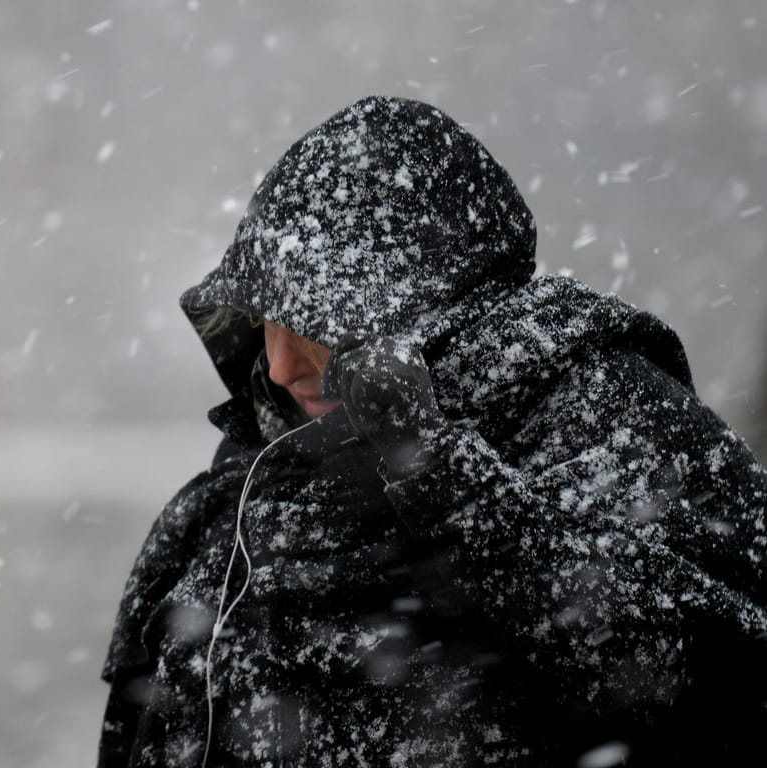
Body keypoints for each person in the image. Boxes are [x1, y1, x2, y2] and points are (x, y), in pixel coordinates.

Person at [97, 96, 767, 767]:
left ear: (424, 311)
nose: (277, 363)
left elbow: (722, 689)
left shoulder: (606, 421)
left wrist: (448, 487)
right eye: (263, 319)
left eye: (309, 321)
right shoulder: (234, 503)